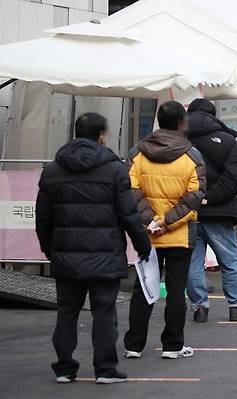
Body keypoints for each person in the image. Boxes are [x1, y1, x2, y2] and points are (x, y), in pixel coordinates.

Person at [36, 113, 150, 384]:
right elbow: (128, 214)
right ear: (102, 135)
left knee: (67, 311)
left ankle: (64, 367)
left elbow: (43, 217)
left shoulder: (53, 170)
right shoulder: (114, 169)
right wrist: (142, 244)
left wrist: (49, 249)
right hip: (105, 254)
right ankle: (105, 369)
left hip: (66, 254)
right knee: (104, 312)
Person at [123, 101, 205, 359]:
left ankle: (134, 345)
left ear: (158, 119)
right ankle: (173, 345)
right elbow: (195, 195)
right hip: (179, 235)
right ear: (182, 122)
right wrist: (167, 221)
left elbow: (130, 190)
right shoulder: (192, 155)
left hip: (147, 235)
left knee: (142, 289)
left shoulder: (137, 152)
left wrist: (151, 221)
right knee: (176, 290)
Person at [184, 98, 237, 323]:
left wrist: (193, 199)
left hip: (187, 212)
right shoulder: (227, 141)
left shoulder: (177, 140)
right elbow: (234, 175)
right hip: (219, 211)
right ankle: (236, 307)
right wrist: (211, 198)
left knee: (192, 262)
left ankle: (199, 307)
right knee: (229, 260)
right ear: (213, 115)